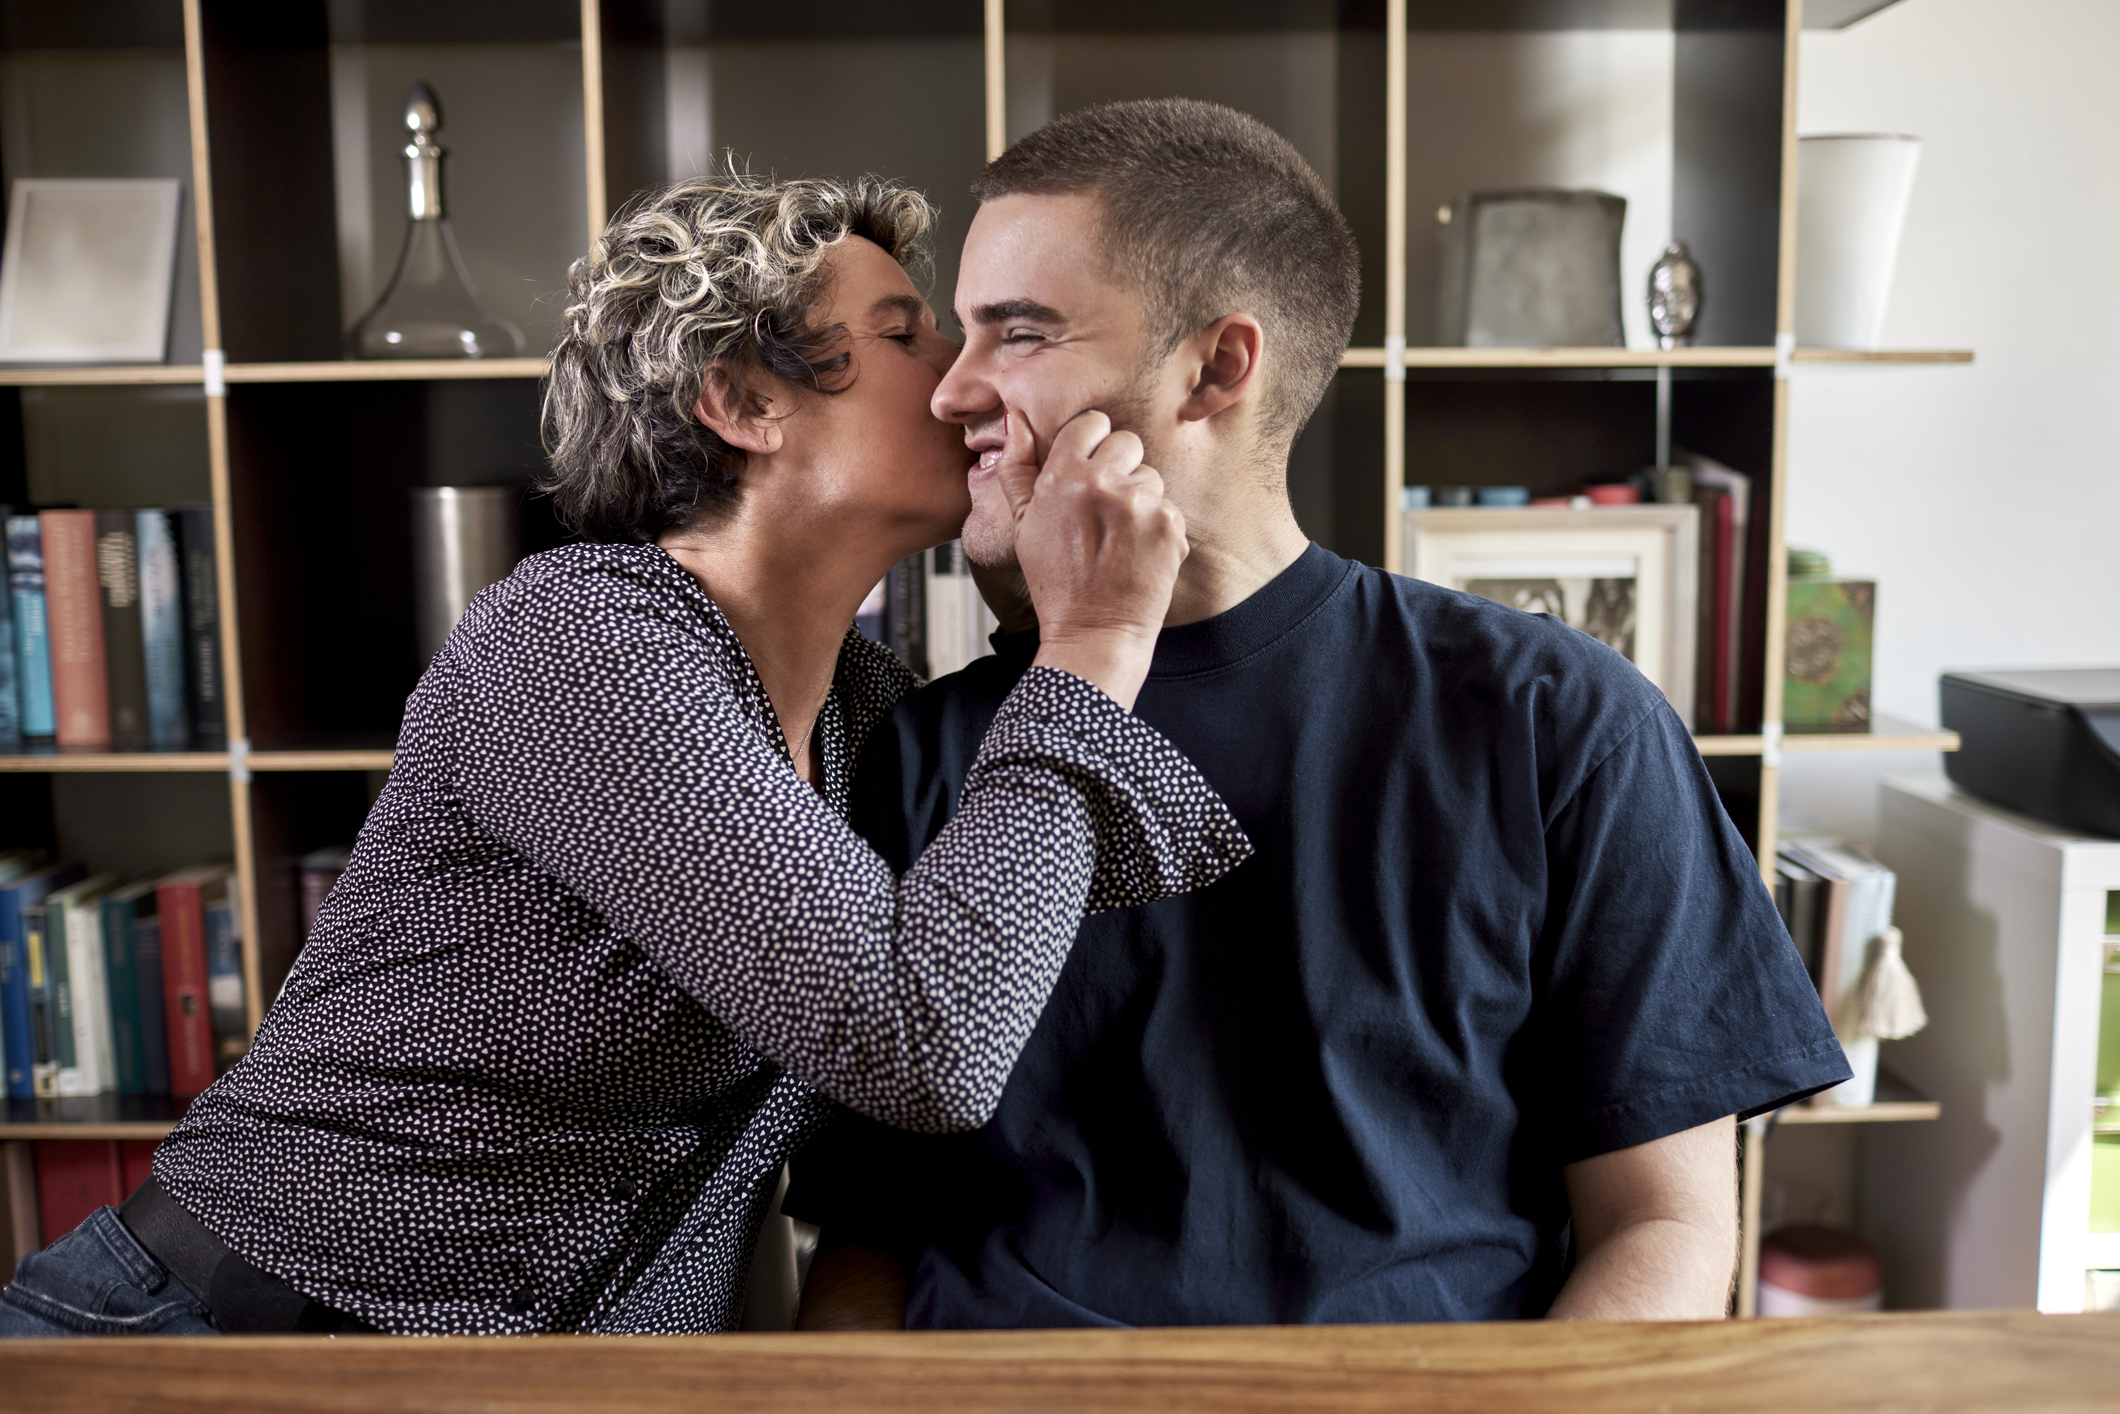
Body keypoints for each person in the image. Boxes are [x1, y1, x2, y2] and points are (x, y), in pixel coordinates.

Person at [0, 171, 1249, 1338]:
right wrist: (1089, 638)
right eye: (907, 330)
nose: (963, 382)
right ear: (745, 400)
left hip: (546, 1381)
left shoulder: (867, 705)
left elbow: (990, 954)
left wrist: (1043, 604)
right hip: (224, 1341)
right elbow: (922, 1042)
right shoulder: (579, 638)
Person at [788, 100, 1851, 1329]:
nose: (950, 390)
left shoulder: (1560, 721)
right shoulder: (916, 748)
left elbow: (1664, 1224)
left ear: (1217, 366)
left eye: (1015, 333)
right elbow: (871, 1231)